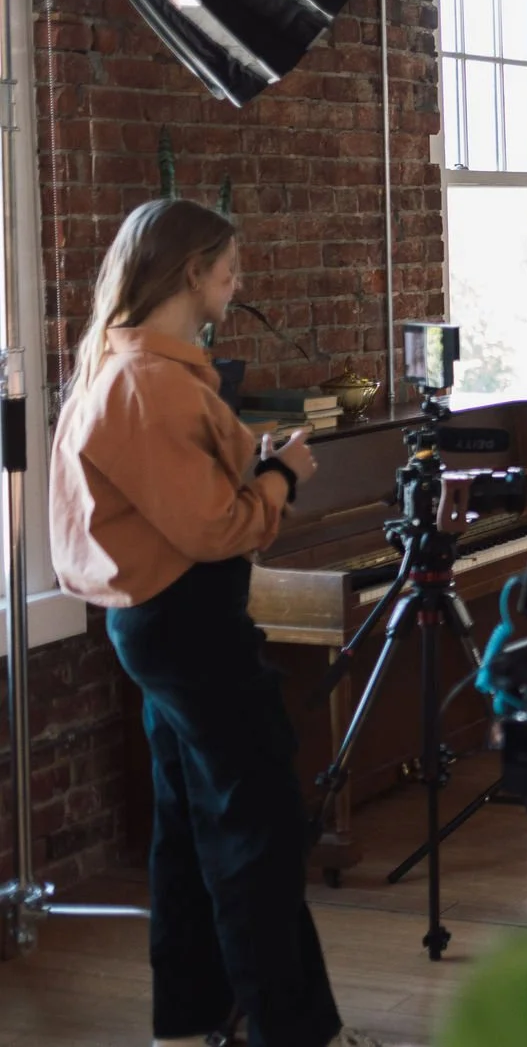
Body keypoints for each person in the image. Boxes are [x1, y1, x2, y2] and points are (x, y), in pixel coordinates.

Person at [48, 200, 378, 1047]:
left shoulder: (135, 366)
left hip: (160, 624)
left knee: (193, 825)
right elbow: (215, 527)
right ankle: (294, 1031)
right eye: (228, 266)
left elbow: (198, 484)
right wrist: (284, 480)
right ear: (191, 270)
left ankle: (193, 1020)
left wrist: (259, 464)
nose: (237, 281)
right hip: (188, 622)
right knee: (259, 826)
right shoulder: (148, 382)